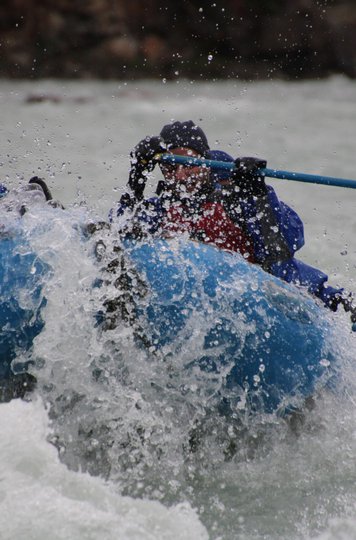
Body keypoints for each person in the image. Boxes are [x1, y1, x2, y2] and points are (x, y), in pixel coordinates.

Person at [113, 120, 356, 324]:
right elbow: (118, 235)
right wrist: (136, 180)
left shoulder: (235, 197)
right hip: (206, 308)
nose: (179, 176)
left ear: (204, 162)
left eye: (187, 164)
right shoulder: (161, 208)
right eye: (168, 167)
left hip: (288, 295)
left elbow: (284, 248)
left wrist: (258, 194)